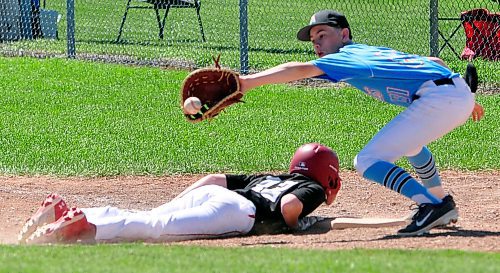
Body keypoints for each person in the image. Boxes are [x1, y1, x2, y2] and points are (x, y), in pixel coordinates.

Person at [238, 10, 485, 236]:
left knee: (366, 161)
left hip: (442, 98)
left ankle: (432, 205)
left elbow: (298, 69)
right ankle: (440, 201)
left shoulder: (348, 56)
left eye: (322, 35)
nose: (316, 43)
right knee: (411, 145)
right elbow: (436, 62)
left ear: (344, 34)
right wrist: (463, 96)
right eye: (313, 40)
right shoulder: (364, 53)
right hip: (450, 93)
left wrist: (247, 82)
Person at [18, 143, 341, 244]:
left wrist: (172, 203)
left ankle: (67, 212)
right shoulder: (311, 186)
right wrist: (296, 224)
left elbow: (214, 177)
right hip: (237, 213)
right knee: (156, 230)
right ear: (329, 178)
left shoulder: (269, 176)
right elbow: (289, 206)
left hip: (214, 197)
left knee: (153, 217)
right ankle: (88, 226)